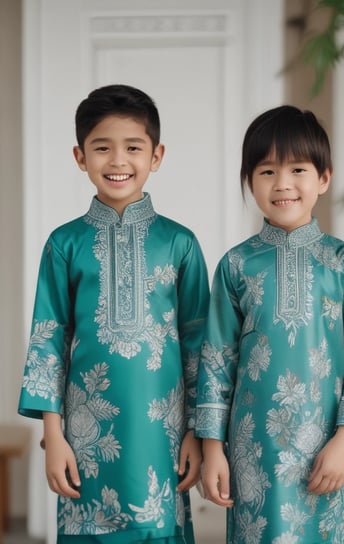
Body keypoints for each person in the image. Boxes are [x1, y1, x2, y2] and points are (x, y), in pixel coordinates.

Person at [18, 84, 210, 543]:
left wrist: (197, 433)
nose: (118, 161)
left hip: (163, 435)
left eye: (133, 148)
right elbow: (49, 339)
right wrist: (54, 436)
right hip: (85, 438)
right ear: (80, 157)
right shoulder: (64, 244)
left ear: (157, 155)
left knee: (157, 530)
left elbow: (201, 346)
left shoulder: (179, 243)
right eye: (102, 148)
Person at [195, 105, 344, 543]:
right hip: (250, 449)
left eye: (297, 168)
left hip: (325, 447)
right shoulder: (236, 265)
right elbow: (216, 360)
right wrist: (212, 450)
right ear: (248, 182)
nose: (282, 184)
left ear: (324, 178)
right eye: (265, 171)